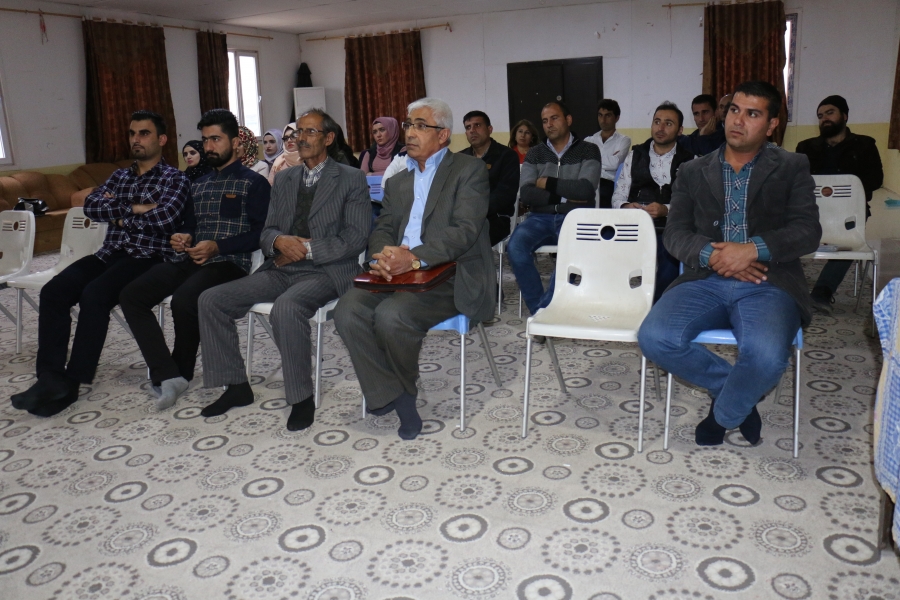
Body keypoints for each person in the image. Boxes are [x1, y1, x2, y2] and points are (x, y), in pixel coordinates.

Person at [638, 81, 821, 447]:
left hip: (768, 281)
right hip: (704, 279)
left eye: (752, 114)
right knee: (654, 337)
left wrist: (751, 250)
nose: (738, 120)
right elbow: (675, 234)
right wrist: (716, 254)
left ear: (771, 124)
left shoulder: (791, 166)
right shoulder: (692, 170)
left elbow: (807, 231)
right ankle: (736, 394)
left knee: (766, 358)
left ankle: (721, 417)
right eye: (734, 110)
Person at [197, 108, 369, 431]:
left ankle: (301, 399)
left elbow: (356, 237)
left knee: (287, 308)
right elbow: (267, 231)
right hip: (281, 268)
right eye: (298, 132)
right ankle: (236, 386)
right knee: (211, 300)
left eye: (310, 132)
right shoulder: (285, 178)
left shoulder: (351, 178)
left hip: (326, 270)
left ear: (329, 138)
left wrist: (305, 249)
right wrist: (279, 241)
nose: (300, 138)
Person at [10, 110, 190, 417]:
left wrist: (118, 214)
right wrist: (135, 208)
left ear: (161, 139)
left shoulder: (175, 178)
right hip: (108, 253)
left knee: (95, 295)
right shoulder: (120, 176)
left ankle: (73, 380)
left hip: (146, 256)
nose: (136, 139)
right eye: (132, 133)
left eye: (144, 133)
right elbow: (91, 206)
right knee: (54, 291)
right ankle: (50, 377)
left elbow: (165, 218)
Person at [334, 97, 495, 441]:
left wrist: (414, 258)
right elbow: (382, 227)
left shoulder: (469, 170)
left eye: (421, 126)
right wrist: (382, 257)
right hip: (397, 271)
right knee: (347, 310)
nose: (410, 132)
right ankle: (386, 391)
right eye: (409, 125)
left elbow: (464, 231)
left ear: (443, 135)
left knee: (392, 315)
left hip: (449, 273)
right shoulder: (397, 182)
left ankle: (404, 400)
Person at [119, 109, 271, 410]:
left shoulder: (254, 183)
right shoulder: (198, 184)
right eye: (205, 140)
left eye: (216, 139)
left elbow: (262, 234)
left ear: (235, 142)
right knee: (131, 295)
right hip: (192, 258)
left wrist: (218, 247)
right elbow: (189, 225)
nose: (208, 147)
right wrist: (183, 237)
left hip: (231, 263)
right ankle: (168, 373)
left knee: (185, 299)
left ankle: (182, 370)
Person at [507, 101, 602, 315]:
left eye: (554, 118)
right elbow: (527, 193)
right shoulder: (535, 153)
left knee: (571, 255)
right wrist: (566, 195)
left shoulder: (589, 150)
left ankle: (546, 310)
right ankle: (540, 311)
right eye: (544, 121)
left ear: (568, 120)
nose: (549, 124)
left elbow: (585, 190)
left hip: (576, 218)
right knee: (515, 247)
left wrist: (546, 182)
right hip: (539, 218)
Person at [796, 95, 884, 313]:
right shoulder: (806, 147)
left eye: (830, 113)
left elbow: (875, 180)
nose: (824, 118)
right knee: (783, 233)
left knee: (849, 242)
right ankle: (790, 291)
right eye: (820, 116)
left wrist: (840, 189)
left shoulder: (865, 145)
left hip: (849, 213)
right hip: (811, 211)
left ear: (844, 116)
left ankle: (821, 293)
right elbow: (796, 182)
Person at [613, 101, 694, 302]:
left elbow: (694, 203)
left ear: (680, 130)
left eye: (668, 123)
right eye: (657, 122)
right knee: (604, 247)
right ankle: (614, 303)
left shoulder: (690, 161)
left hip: (670, 227)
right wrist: (626, 207)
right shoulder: (635, 155)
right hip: (635, 226)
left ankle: (654, 307)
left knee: (670, 254)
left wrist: (666, 209)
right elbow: (618, 197)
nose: (661, 127)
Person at [459, 110, 519, 245]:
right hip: (462, 217)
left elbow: (505, 194)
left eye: (477, 125)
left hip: (494, 219)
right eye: (468, 127)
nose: (472, 130)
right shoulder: (459, 159)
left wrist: (474, 209)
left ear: (490, 129)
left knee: (460, 239)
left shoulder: (506, 156)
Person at [584, 99, 632, 208]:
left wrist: (592, 158)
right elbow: (584, 164)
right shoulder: (589, 140)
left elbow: (615, 164)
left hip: (609, 183)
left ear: (617, 118)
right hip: (590, 181)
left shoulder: (624, 140)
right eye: (600, 115)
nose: (603, 120)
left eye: (608, 115)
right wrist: (609, 158)